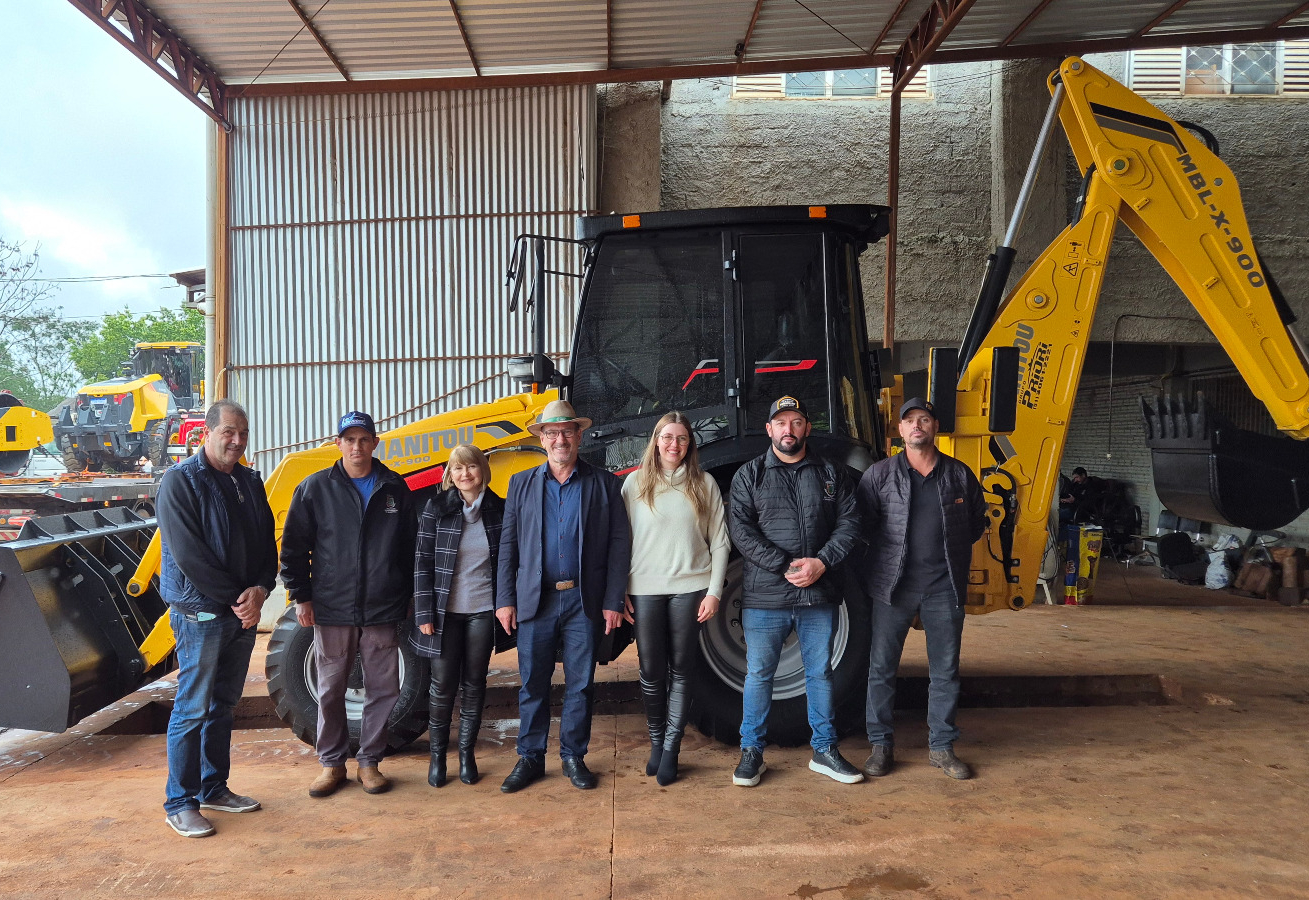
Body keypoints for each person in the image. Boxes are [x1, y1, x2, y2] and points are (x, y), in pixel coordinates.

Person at [495, 399, 632, 793]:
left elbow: (619, 545)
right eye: (552, 432)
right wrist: (506, 599)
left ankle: (573, 755)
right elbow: (509, 547)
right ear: (542, 438)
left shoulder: (604, 484)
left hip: (583, 602)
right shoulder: (521, 484)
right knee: (532, 682)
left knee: (580, 683)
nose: (559, 439)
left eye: (567, 432)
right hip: (534, 601)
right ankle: (530, 757)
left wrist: (612, 599)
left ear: (579, 436)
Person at [727, 395, 863, 787]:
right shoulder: (749, 476)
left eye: (797, 422)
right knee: (759, 674)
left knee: (819, 673)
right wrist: (783, 565)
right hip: (765, 597)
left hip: (817, 595)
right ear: (769, 430)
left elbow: (849, 524)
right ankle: (751, 752)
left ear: (806, 428)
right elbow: (741, 531)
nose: (789, 429)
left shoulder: (831, 474)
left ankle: (824, 750)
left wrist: (821, 562)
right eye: (781, 423)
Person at [156, 399, 277, 838]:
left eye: (243, 432)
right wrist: (237, 600)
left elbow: (268, 542)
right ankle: (180, 801)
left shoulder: (248, 480)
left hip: (240, 614)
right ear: (206, 432)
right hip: (201, 614)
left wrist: (262, 588)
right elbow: (190, 556)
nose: (237, 440)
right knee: (191, 709)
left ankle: (213, 787)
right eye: (229, 431)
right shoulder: (180, 481)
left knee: (222, 705)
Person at [280, 411, 416, 798]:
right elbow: (294, 549)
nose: (357, 447)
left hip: (382, 608)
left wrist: (405, 597)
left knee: (383, 688)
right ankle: (332, 764)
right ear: (336, 443)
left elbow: (409, 549)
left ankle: (370, 762)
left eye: (364, 439)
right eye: (349, 439)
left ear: (375, 443)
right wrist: (301, 596)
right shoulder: (314, 489)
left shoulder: (394, 488)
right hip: (331, 607)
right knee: (330, 688)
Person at [857, 398, 988, 781]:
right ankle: (881, 747)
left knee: (945, 671)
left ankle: (942, 748)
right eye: (910, 420)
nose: (917, 426)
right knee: (881, 669)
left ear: (935, 427)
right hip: (892, 588)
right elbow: (862, 526)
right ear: (899, 430)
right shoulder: (879, 476)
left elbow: (976, 523)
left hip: (943, 588)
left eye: (925, 419)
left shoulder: (960, 475)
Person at [621, 411, 731, 785]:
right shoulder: (634, 485)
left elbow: (719, 541)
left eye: (681, 439)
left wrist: (715, 591)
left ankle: (671, 748)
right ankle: (656, 742)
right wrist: (619, 589)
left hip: (689, 588)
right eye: (667, 437)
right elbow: (621, 543)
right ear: (655, 441)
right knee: (651, 671)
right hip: (645, 589)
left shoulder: (704, 484)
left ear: (690, 445)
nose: (674, 445)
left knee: (681, 669)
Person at [411, 444, 509, 789]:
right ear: (449, 476)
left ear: (482, 469)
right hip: (444, 614)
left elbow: (508, 563)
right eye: (457, 469)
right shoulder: (436, 508)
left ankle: (467, 754)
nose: (465, 474)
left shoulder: (499, 509)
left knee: (474, 684)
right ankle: (438, 757)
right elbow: (421, 562)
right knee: (441, 687)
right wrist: (424, 611)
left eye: (471, 467)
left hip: (483, 611)